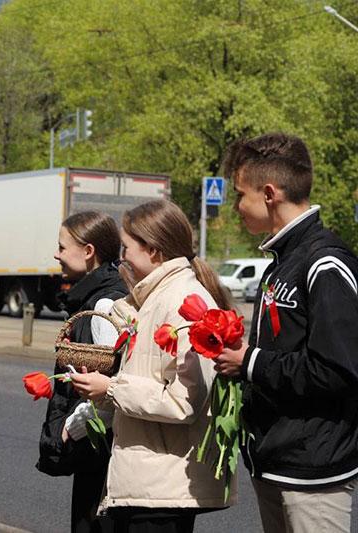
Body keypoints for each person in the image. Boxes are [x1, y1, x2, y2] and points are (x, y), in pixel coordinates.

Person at [214, 133, 358, 533]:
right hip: (276, 460)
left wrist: (250, 362)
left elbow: (337, 370)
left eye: (240, 194)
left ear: (270, 193)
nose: (237, 206)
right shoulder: (284, 259)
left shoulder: (325, 262)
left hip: (314, 471)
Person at [70, 199, 234, 533]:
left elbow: (183, 401)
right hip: (149, 480)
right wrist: (102, 391)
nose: (121, 258)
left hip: (162, 486)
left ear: (154, 251)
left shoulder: (184, 302)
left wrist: (111, 389)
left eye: (126, 248)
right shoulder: (156, 298)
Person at [37, 211, 126, 533]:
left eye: (62, 247)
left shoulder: (103, 306)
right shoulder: (93, 297)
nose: (56, 254)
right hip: (97, 449)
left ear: (88, 251)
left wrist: (70, 429)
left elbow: (112, 388)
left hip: (98, 451)